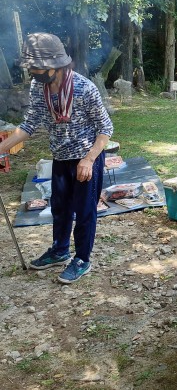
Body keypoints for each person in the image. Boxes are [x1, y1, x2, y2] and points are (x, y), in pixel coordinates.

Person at [0, 33, 113, 284]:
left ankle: (82, 259)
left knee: (84, 211)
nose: (32, 72)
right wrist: (2, 148)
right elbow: (29, 124)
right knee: (60, 208)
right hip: (60, 157)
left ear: (54, 65)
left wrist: (89, 160)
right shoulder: (38, 87)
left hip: (86, 158)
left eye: (36, 67)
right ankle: (60, 250)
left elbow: (105, 128)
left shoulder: (84, 88)